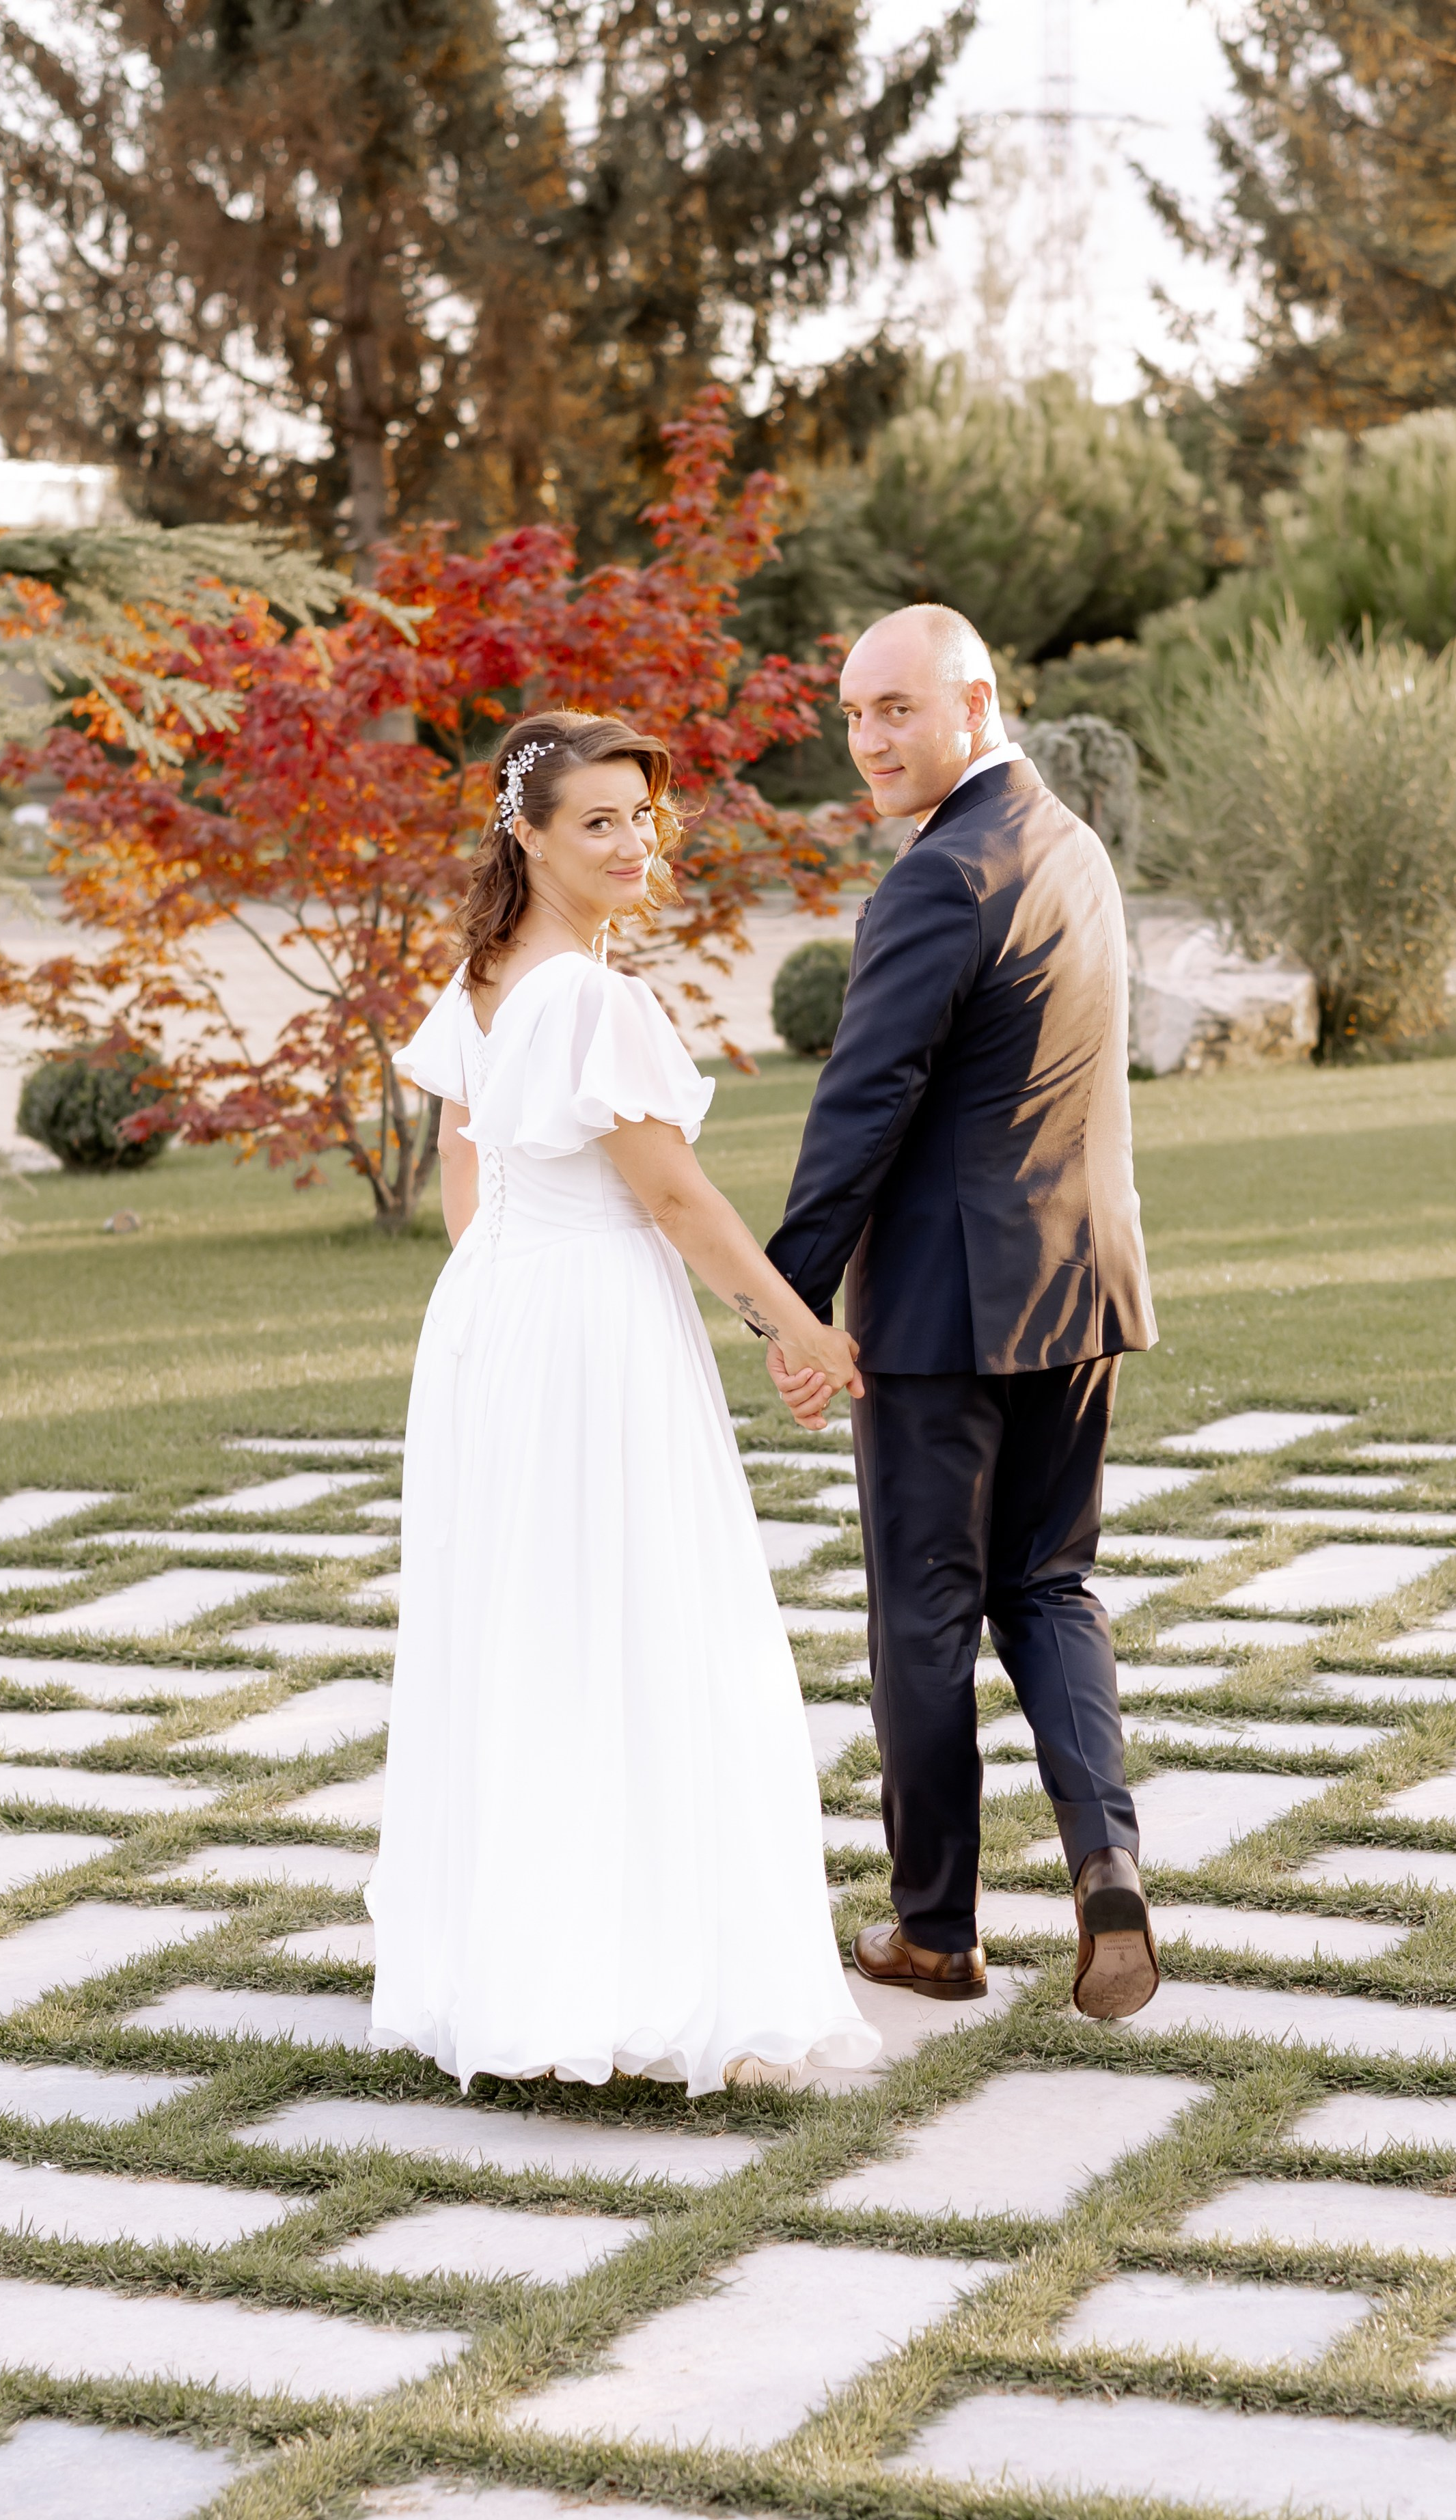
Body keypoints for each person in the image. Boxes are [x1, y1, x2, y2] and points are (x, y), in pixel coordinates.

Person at [367, 709, 879, 2094]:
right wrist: (800, 1329)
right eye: (599, 819)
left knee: (529, 1624)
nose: (634, 840)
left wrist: (503, 1281)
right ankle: (637, 1982)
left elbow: (471, 1171)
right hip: (587, 1322)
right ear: (526, 835)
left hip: (496, 1317)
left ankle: (531, 1972)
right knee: (636, 1616)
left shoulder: (485, 976)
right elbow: (669, 1193)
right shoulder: (591, 995)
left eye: (642, 814)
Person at [763, 604, 1162, 2021]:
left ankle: (935, 1928)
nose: (868, 739)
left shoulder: (943, 874)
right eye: (855, 712)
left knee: (920, 1617)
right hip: (1085, 1283)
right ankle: (1105, 1857)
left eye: (897, 711)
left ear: (976, 701)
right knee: (1048, 1586)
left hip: (945, 1312)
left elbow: (862, 1098)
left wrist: (786, 1295)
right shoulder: (1071, 843)